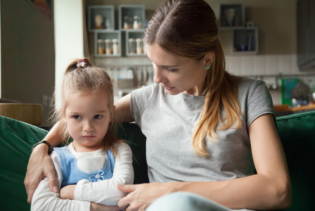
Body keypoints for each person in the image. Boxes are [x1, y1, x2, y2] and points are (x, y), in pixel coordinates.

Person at [25, 0, 292, 210]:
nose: (157, 78)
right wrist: (42, 147)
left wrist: (171, 191)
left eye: (171, 68)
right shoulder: (149, 98)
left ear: (207, 59)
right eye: (153, 64)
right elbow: (86, 116)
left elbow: (277, 189)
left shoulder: (249, 94)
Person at [30, 59, 134, 211]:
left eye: (97, 116)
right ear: (64, 115)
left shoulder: (119, 149)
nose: (88, 128)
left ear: (111, 114)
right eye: (77, 117)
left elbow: (121, 191)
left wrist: (71, 192)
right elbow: (40, 206)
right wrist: (96, 208)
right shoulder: (57, 158)